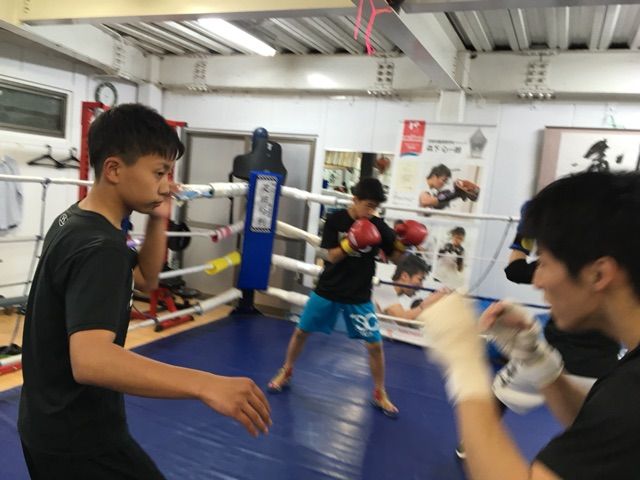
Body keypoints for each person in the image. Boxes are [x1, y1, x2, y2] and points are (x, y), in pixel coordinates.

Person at [18, 104, 271, 479]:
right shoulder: (99, 247)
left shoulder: (78, 219)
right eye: (159, 172)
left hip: (49, 422)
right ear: (114, 169)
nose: (167, 185)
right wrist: (204, 384)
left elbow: (145, 278)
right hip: (80, 438)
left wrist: (158, 217)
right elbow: (91, 360)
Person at [419, 171, 640, 479]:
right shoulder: (626, 380)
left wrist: (464, 361)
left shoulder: (632, 391)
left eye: (544, 262)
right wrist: (537, 359)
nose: (537, 281)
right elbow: (603, 428)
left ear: (598, 274)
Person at [267, 178, 426, 418]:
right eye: (368, 205)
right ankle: (286, 370)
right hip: (328, 289)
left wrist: (404, 244)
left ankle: (380, 392)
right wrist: (352, 243)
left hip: (359, 295)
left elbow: (396, 258)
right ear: (355, 200)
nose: (371, 211)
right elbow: (331, 256)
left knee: (375, 346)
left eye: (375, 207)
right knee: (301, 332)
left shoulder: (378, 224)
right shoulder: (336, 220)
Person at [374, 254, 434, 322]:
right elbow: (402, 319)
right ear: (404, 276)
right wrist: (428, 302)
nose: (421, 286)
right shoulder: (384, 289)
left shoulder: (389, 292)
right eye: (420, 279)